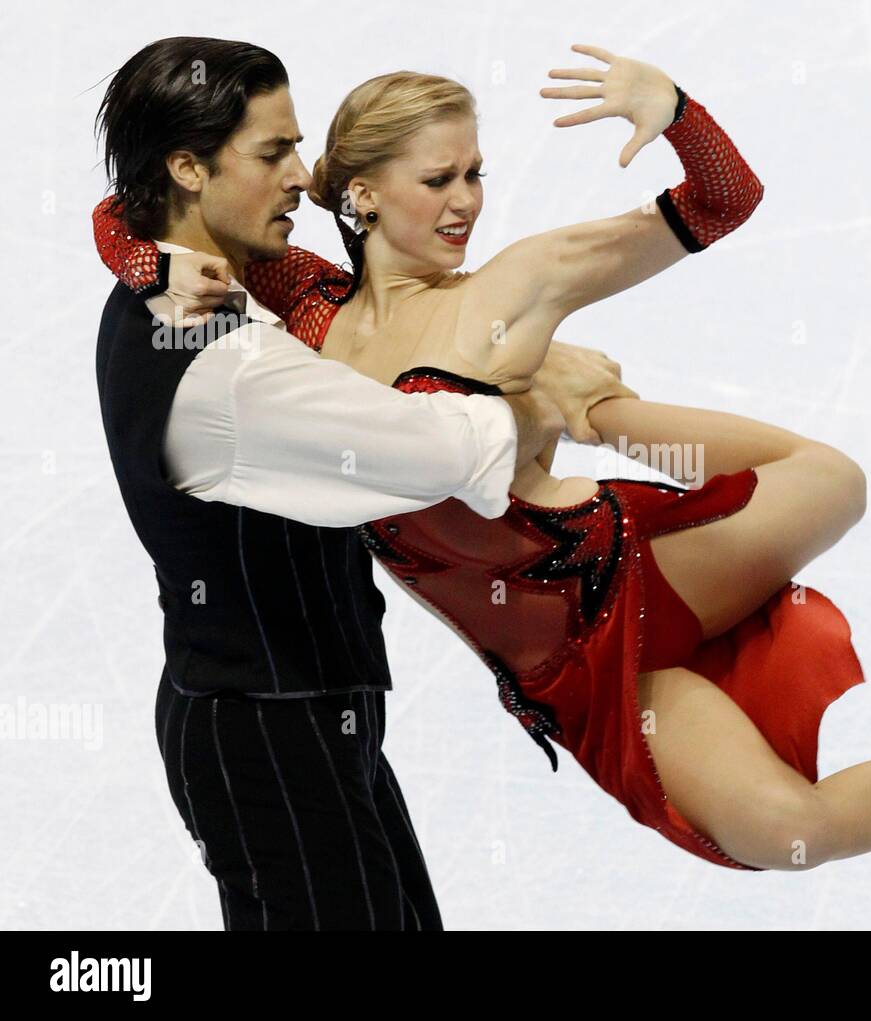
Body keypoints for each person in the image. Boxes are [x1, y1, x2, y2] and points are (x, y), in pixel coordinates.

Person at [96, 41, 871, 877]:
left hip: (616, 568)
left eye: (475, 173)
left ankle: (612, 411)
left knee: (836, 481)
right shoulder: (299, 302)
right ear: (361, 192)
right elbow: (129, 203)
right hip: (558, 667)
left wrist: (671, 112)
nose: (467, 202)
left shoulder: (519, 281)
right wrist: (144, 263)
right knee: (787, 833)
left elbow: (722, 199)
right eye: (438, 178)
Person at [92, 36, 631, 930]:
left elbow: (120, 211)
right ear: (188, 168)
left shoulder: (208, 286)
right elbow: (433, 451)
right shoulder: (224, 364)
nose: (303, 177)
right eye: (272, 153)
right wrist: (538, 393)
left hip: (299, 714)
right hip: (269, 730)